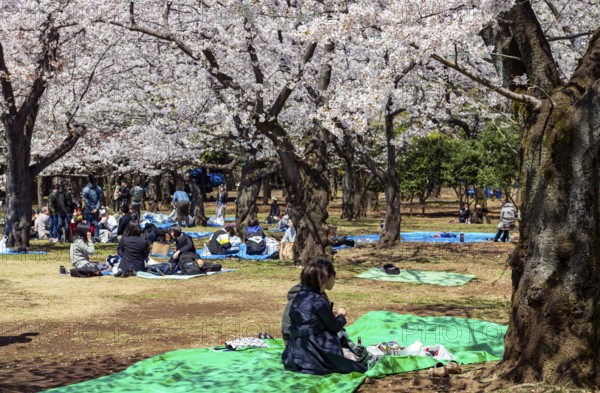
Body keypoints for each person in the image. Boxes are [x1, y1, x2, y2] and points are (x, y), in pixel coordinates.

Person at [281, 259, 366, 375]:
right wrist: (341, 315)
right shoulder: (318, 300)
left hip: (295, 352)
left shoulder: (298, 297)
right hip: (315, 350)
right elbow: (335, 327)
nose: (334, 280)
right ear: (324, 278)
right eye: (333, 276)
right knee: (356, 362)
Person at [82, 174, 103, 239]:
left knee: (88, 223)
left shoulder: (85, 189)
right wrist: (96, 208)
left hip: (88, 208)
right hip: (95, 208)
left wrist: (91, 208)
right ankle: (96, 237)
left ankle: (88, 237)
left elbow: (86, 200)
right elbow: (100, 200)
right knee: (96, 223)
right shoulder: (99, 188)